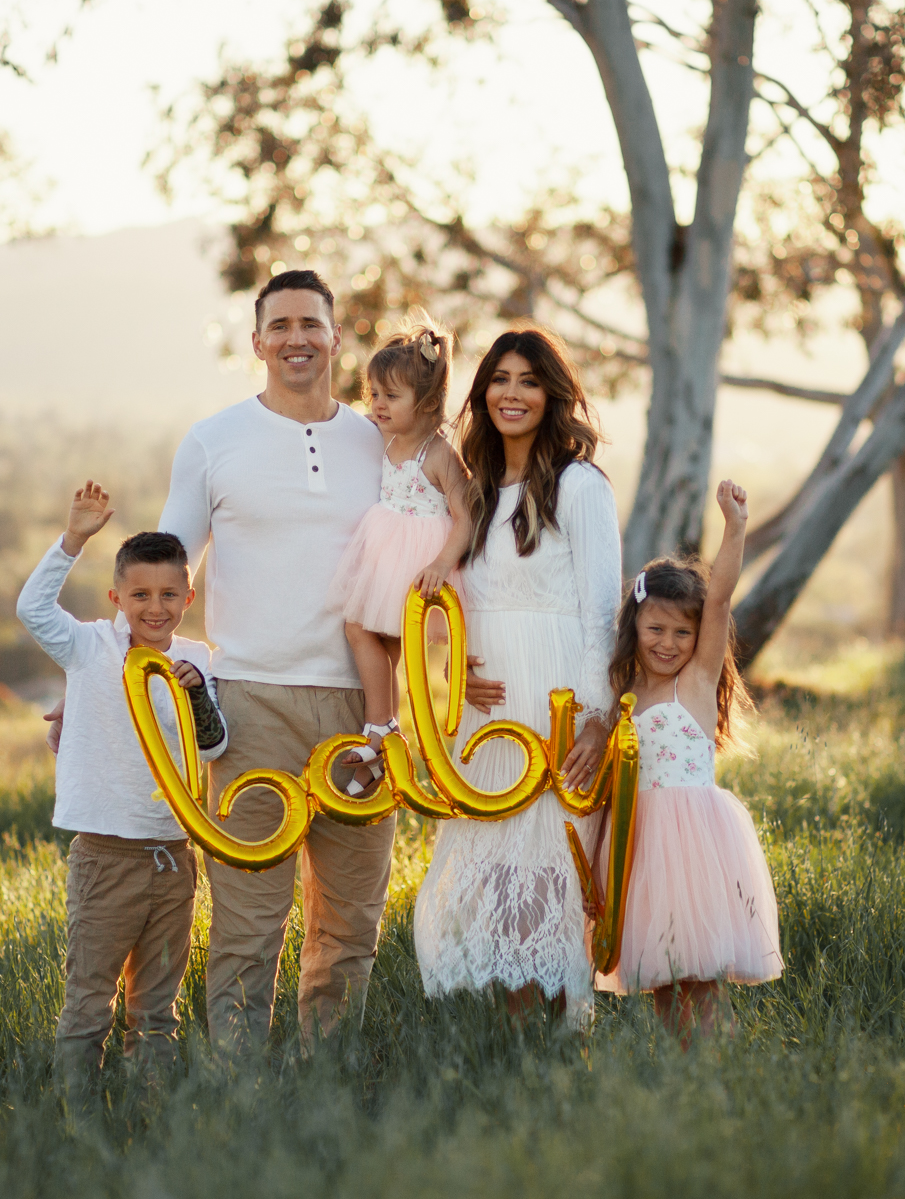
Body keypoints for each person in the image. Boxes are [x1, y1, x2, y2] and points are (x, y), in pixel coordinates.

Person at [157, 268, 393, 1054]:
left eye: (311, 325)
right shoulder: (213, 440)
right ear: (257, 342)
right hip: (251, 704)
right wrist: (98, 678)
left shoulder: (377, 442)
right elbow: (165, 578)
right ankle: (239, 1092)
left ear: (335, 335)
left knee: (351, 919)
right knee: (249, 917)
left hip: (363, 712)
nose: (297, 339)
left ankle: (327, 1082)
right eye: (280, 326)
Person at [412, 324, 622, 1024]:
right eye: (500, 379)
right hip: (491, 713)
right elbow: (466, 600)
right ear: (482, 392)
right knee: (501, 866)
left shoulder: (579, 485)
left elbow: (600, 611)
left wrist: (596, 715)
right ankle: (514, 1034)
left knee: (551, 863)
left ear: (552, 395)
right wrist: (462, 669)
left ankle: (562, 1037)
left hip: (555, 697)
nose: (512, 393)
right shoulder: (475, 492)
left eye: (528, 381)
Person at [16, 481, 228, 1092]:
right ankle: (79, 1120)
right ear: (117, 597)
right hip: (107, 856)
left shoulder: (197, 659)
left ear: (189, 596)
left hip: (173, 857)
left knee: (156, 1011)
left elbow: (213, 747)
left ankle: (150, 1118)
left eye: (168, 594)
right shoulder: (91, 648)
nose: (154, 607)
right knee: (89, 1002)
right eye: (140, 594)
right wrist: (74, 538)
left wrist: (195, 696)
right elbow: (32, 609)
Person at [595, 480, 784, 1038]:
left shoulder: (696, 682)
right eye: (656, 628)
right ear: (635, 627)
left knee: (700, 975)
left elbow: (720, 597)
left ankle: (715, 1060)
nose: (669, 643)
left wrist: (735, 526)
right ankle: (682, 1074)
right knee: (659, 973)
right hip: (640, 844)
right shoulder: (624, 692)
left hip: (697, 844)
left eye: (684, 632)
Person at [324, 318, 474, 795]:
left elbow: (466, 515)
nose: (377, 405)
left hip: (419, 560)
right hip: (382, 552)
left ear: (428, 403)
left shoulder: (439, 453)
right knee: (368, 634)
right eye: (373, 394)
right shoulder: (379, 434)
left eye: (391, 396)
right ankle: (384, 733)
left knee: (376, 637)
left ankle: (382, 728)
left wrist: (440, 564)